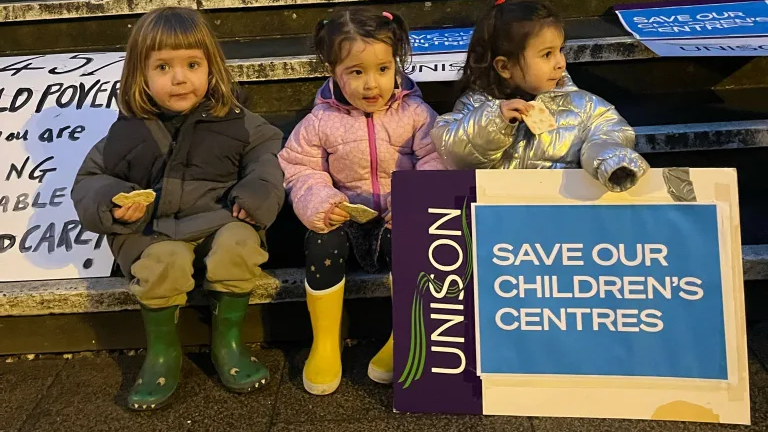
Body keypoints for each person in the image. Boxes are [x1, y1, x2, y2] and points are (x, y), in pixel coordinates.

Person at [70, 6, 285, 410]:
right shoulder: (126, 133)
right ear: (141, 75)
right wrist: (113, 203)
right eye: (164, 67)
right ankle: (163, 353)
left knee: (239, 243)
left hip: (220, 221)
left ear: (211, 68)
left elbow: (267, 159)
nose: (180, 77)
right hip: (152, 232)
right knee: (164, 262)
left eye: (191, 64)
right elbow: (89, 182)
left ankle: (229, 343)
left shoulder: (238, 121)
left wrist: (255, 194)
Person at [277, 8, 445, 395]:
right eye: (356, 72)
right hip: (344, 216)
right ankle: (325, 341)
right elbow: (299, 167)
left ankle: (403, 335)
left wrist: (412, 205)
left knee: (414, 249)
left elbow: (436, 159)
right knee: (320, 245)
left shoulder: (416, 113)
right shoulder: (320, 121)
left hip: (397, 216)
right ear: (333, 70)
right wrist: (322, 201)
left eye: (383, 69)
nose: (372, 84)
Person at [432, 0, 649, 192]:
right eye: (547, 54)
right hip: (503, 222)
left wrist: (610, 159)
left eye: (560, 50)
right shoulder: (475, 104)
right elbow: (454, 153)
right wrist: (494, 121)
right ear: (504, 67)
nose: (560, 63)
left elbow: (610, 131)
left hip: (562, 218)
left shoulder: (584, 106)